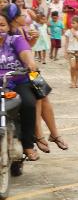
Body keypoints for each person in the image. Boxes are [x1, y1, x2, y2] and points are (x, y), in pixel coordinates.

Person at [0, 12, 41, 161]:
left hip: (17, 82)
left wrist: (30, 64)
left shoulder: (15, 40)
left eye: (2, 25)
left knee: (29, 103)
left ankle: (28, 146)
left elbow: (26, 53)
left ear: (9, 26)